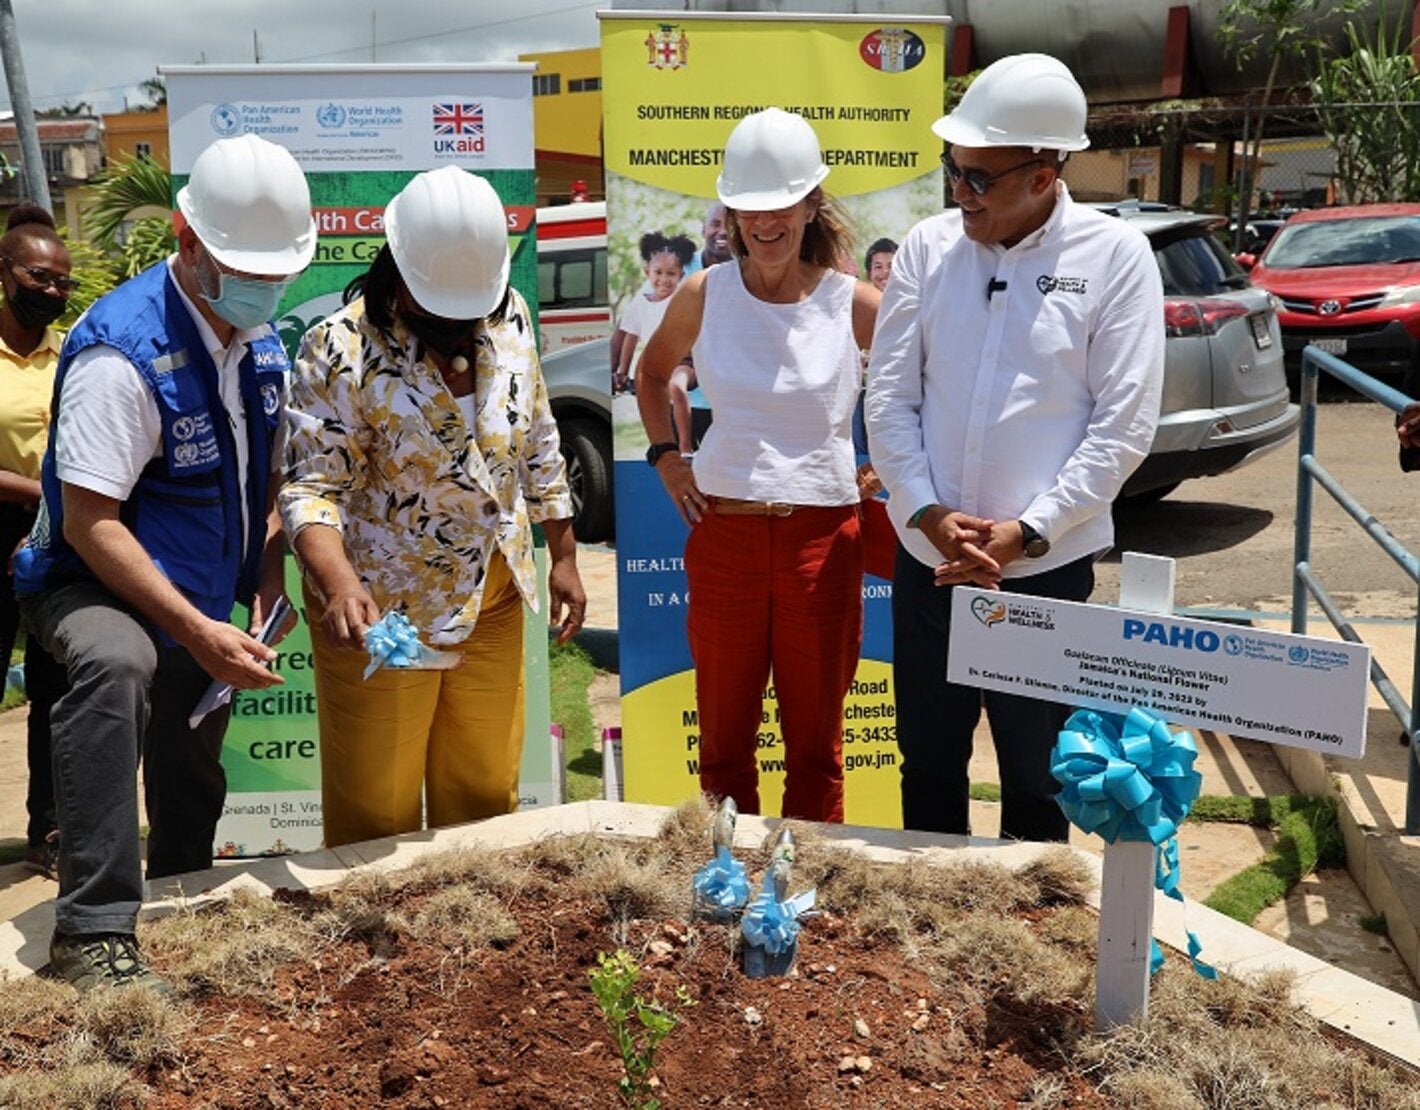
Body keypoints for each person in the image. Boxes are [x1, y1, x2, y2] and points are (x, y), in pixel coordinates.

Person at [14, 133, 315, 993]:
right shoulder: (123, 352)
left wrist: (264, 579)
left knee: (191, 751)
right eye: (243, 264)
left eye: (277, 270)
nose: (264, 285)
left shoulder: (260, 348)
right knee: (122, 662)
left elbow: (263, 486)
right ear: (186, 240)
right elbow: (89, 520)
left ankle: (180, 891)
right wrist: (190, 624)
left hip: (199, 587)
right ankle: (94, 932)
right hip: (88, 577)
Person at [866, 53, 1165, 842]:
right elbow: (889, 399)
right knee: (927, 762)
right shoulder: (928, 251)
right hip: (931, 559)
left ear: (1044, 174)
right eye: (953, 171)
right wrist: (928, 512)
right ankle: (929, 930)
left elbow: (1124, 424)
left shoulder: (1114, 258)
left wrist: (1030, 531)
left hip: (1044, 572)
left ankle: (1032, 941)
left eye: (977, 179)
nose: (958, 193)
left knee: (1040, 777)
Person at [280, 166, 586, 850]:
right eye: (442, 308)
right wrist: (340, 586)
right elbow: (310, 487)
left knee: (483, 799)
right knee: (375, 812)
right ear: (399, 273)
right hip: (384, 616)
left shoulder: (509, 317)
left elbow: (537, 438)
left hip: (494, 598)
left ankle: (468, 946)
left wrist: (562, 553)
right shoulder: (339, 348)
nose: (460, 322)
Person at [638, 107, 880, 823]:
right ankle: (727, 887)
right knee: (722, 747)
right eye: (749, 210)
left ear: (811, 205)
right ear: (730, 213)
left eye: (781, 207)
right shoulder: (704, 293)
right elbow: (652, 377)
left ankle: (807, 898)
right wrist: (666, 459)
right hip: (727, 540)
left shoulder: (856, 303)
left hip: (824, 542)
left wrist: (891, 470)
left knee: (816, 749)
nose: (765, 223)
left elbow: (923, 389)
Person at [0, 206, 72, 880]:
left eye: (62, 283)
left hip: (61, 535)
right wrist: (38, 493)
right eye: (39, 277)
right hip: (9, 518)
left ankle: (48, 834)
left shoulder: (73, 350)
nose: (50, 291)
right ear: (5, 273)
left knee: (54, 694)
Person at [611, 231, 694, 396]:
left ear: (681, 275)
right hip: (654, 363)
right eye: (658, 272)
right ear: (647, 271)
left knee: (677, 388)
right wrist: (623, 371)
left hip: (681, 362)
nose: (664, 279)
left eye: (671, 273)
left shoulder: (681, 300)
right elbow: (631, 336)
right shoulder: (640, 303)